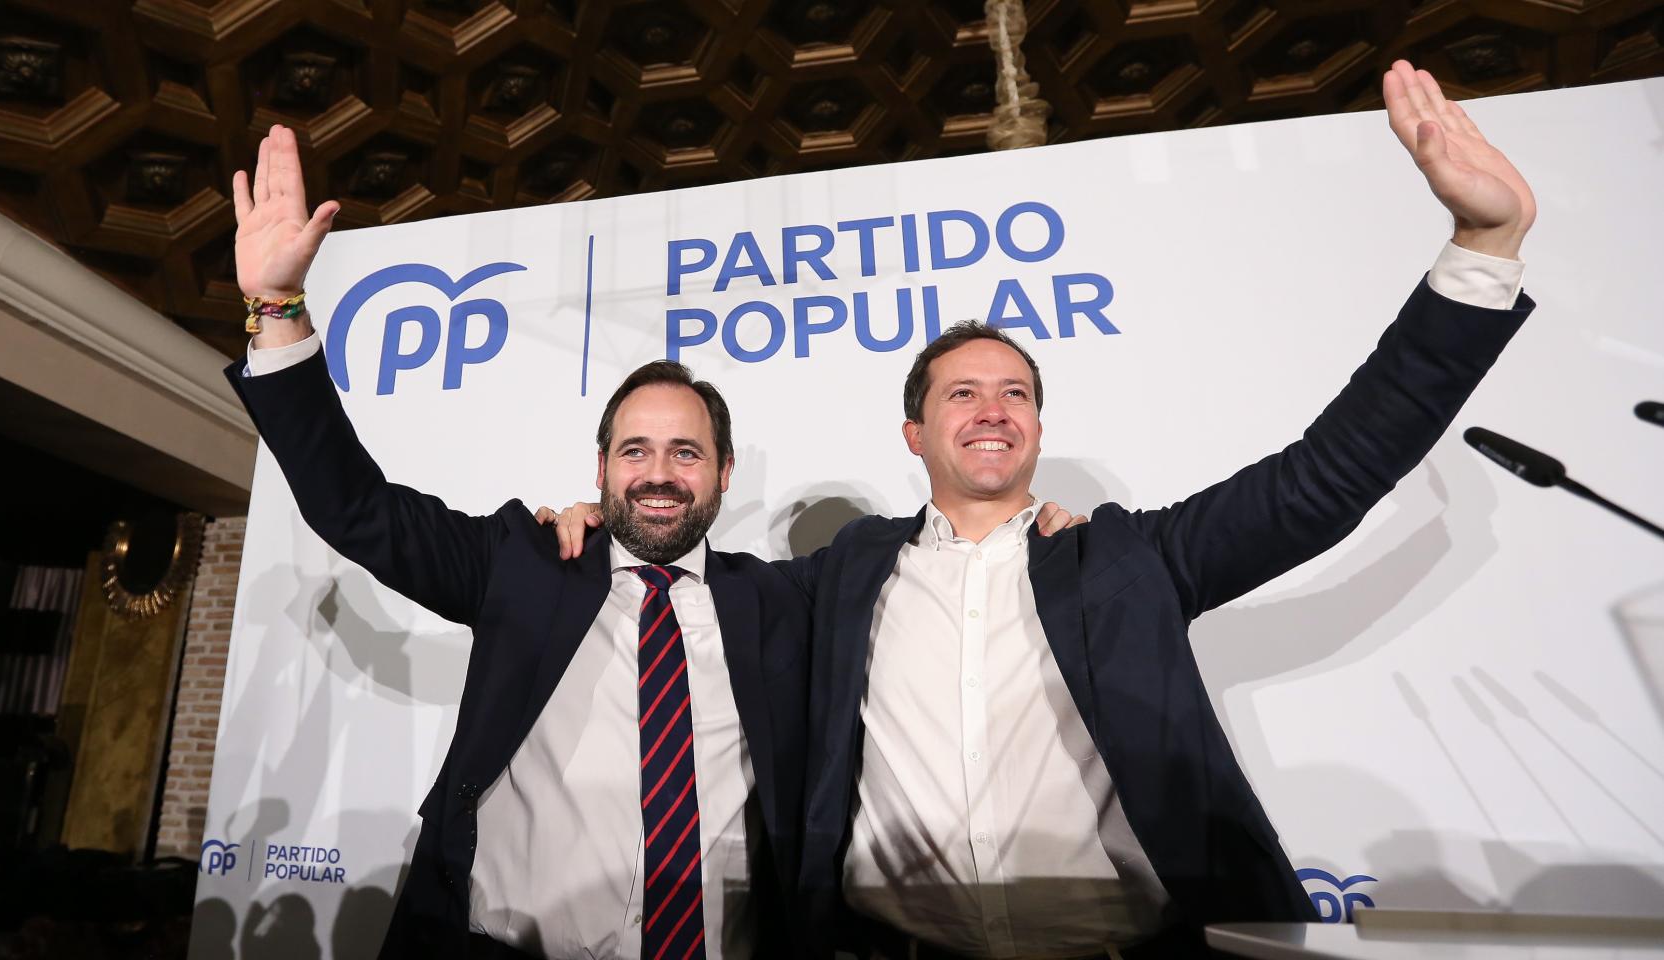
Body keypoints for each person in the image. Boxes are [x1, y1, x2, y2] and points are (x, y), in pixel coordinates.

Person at [545, 59, 1538, 958]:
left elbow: (1326, 476)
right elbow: (682, 567)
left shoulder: (1125, 559)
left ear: (1033, 426)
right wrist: (596, 533)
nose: (991, 409)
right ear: (914, 434)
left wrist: (1481, 247)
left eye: (1014, 392)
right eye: (962, 394)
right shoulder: (838, 579)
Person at [225, 125, 1083, 958]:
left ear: (724, 471)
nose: (660, 473)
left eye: (686, 452)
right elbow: (355, 507)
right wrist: (277, 306)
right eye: (636, 451)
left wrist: (1027, 525)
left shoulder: (785, 601)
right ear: (602, 468)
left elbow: (933, 562)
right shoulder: (522, 564)